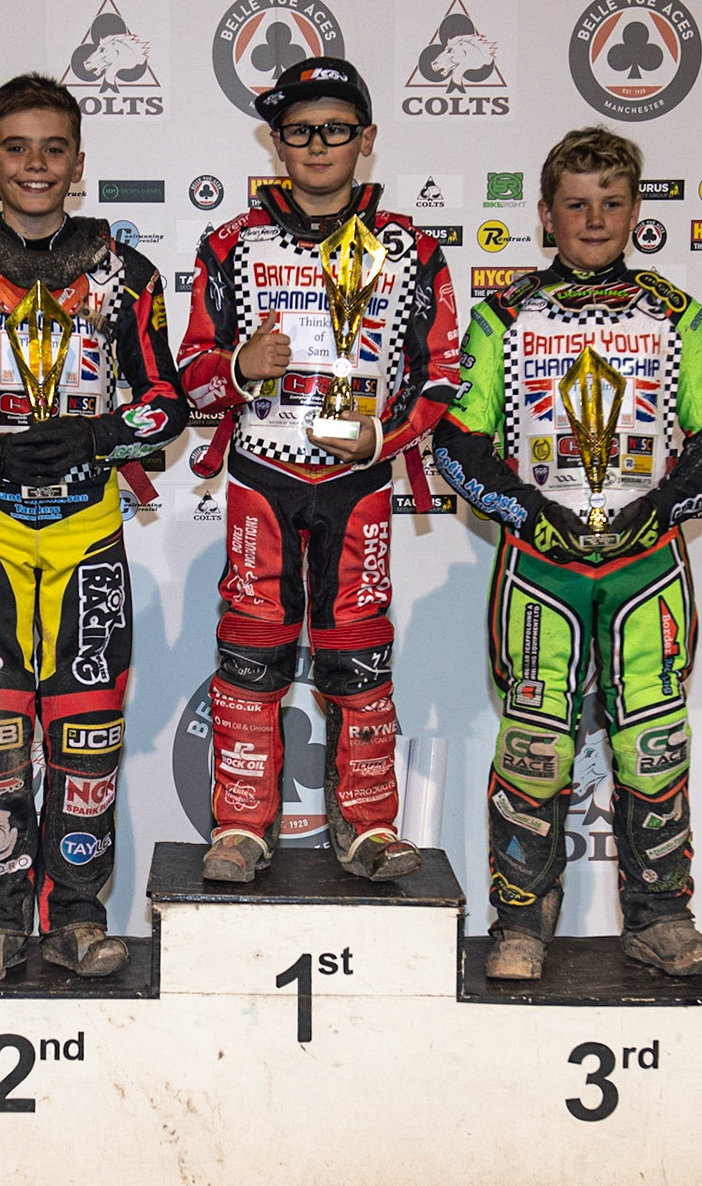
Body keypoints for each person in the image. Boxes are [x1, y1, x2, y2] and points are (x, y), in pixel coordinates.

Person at [0, 74, 186, 984]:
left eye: (54, 149)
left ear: (79, 163)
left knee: (88, 736)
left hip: (88, 532)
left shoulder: (127, 275)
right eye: (17, 148)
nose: (36, 165)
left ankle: (78, 918)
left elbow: (167, 404)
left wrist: (97, 436)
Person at [432, 128, 702, 981]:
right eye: (577, 204)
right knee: (535, 746)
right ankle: (519, 926)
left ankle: (661, 919)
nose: (595, 219)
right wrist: (532, 516)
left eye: (611, 203)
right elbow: (457, 443)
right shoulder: (505, 316)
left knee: (654, 742)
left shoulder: (675, 314)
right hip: (543, 567)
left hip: (647, 565)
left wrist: (657, 510)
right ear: (546, 214)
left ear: (636, 210)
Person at [177, 57, 461, 884]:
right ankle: (241, 826)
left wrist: (382, 437)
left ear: (366, 140)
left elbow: (442, 375)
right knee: (250, 648)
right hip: (262, 477)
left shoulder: (411, 248)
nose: (316, 144)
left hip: (357, 483)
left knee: (359, 651)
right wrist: (239, 366)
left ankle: (369, 826)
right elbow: (188, 372)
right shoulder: (231, 243)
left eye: (335, 128)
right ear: (276, 141)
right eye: (299, 130)